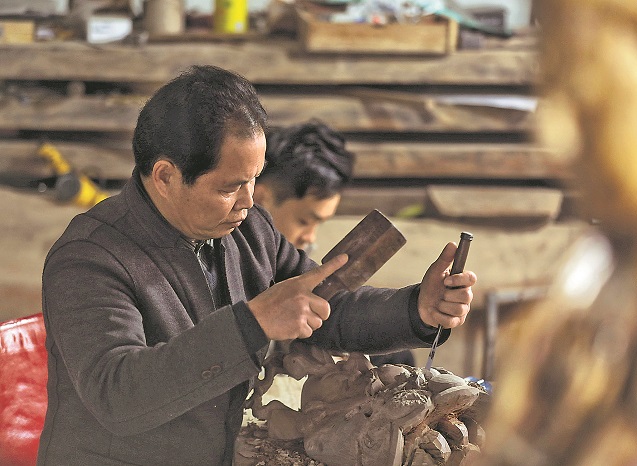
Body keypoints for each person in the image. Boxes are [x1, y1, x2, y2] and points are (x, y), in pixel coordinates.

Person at [38, 65, 476, 465]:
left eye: (254, 179)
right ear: (166, 177)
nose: (248, 202)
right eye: (229, 187)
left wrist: (417, 309)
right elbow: (117, 394)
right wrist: (253, 323)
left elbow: (324, 306)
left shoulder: (248, 229)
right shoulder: (89, 258)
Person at [253, 119, 416, 366]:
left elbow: (335, 309)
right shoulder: (233, 249)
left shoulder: (290, 261)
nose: (310, 237)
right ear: (261, 198)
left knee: (397, 358)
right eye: (304, 221)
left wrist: (417, 309)